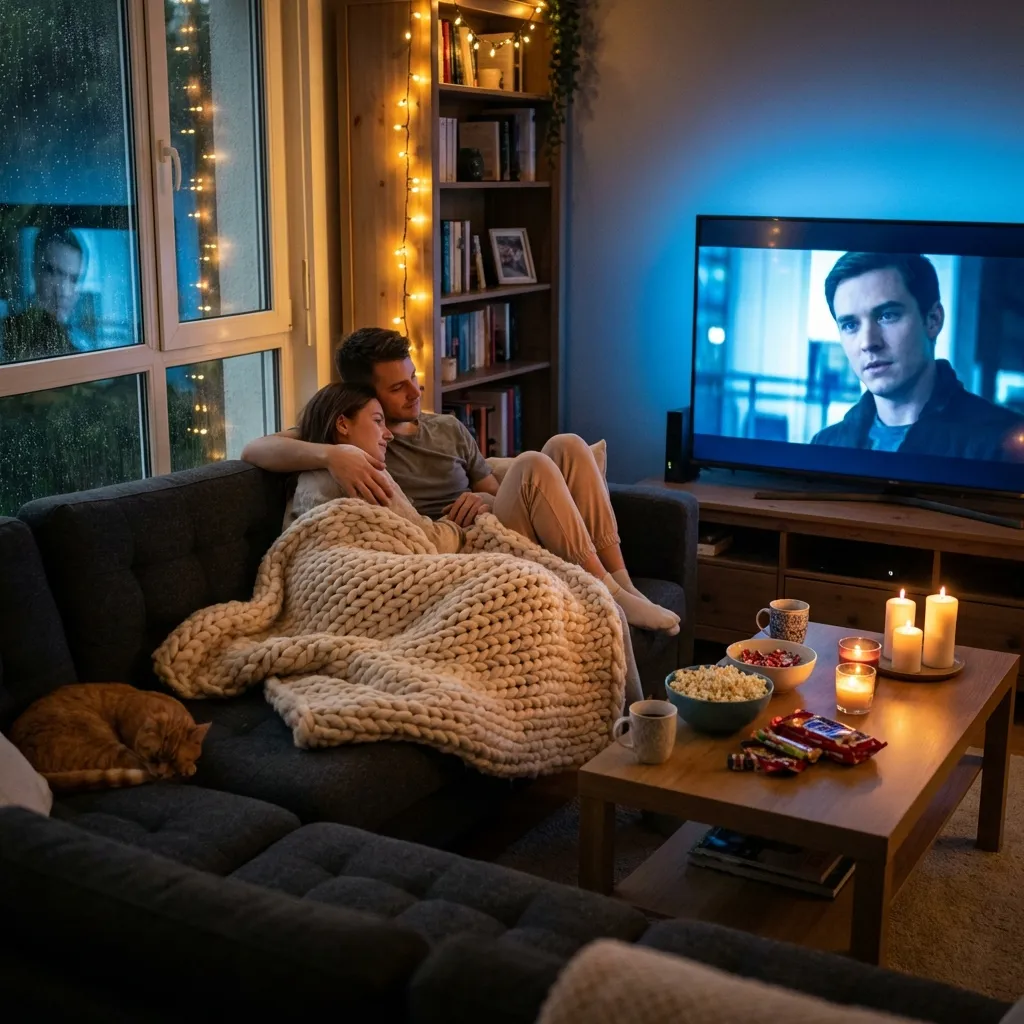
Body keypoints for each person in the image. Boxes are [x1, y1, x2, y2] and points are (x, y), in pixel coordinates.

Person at [243, 327, 680, 634]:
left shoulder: (447, 428)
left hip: (498, 529)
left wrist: (487, 503)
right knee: (530, 463)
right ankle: (610, 594)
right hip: (464, 556)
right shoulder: (364, 437)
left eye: (413, 377)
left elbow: (494, 494)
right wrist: (333, 454)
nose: (415, 392)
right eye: (398, 388)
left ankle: (623, 585)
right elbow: (254, 451)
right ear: (368, 395)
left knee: (567, 445)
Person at [811, 252, 1024, 460]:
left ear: (933, 320)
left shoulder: (1002, 443)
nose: (868, 342)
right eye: (850, 325)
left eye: (887, 316)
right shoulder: (825, 444)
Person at [1, 227, 84, 363]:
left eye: (73, 279)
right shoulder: (8, 333)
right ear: (35, 269)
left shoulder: (81, 342)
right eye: (52, 272)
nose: (64, 291)